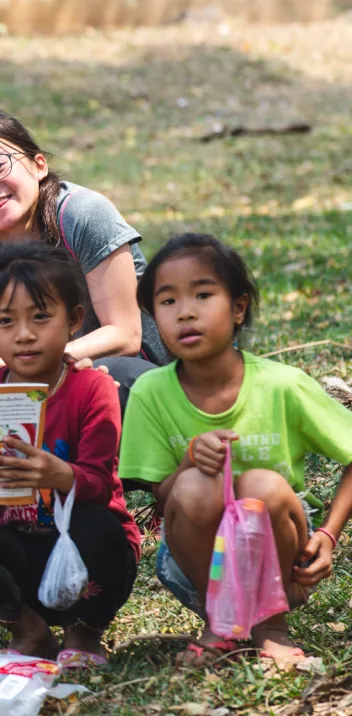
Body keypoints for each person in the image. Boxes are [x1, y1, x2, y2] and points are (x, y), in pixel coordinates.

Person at [119, 234, 352, 667]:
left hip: (288, 565)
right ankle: (221, 625)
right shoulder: (151, 391)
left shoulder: (282, 384)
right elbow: (165, 498)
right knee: (192, 484)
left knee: (261, 483)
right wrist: (189, 460)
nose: (186, 312)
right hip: (192, 568)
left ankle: (271, 627)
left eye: (203, 295)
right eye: (167, 302)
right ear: (153, 317)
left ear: (239, 307)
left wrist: (328, 536)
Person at [0, 243, 140, 666]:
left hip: (88, 561)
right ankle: (27, 629)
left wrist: (59, 476)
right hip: (17, 553)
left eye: (41, 316)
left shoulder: (93, 389)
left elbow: (99, 485)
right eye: (6, 321)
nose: (24, 334)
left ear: (74, 319)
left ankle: (85, 632)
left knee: (100, 526)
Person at [0, 110, 169, 410]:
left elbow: (126, 335)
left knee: (110, 375)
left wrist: (38, 366)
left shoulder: (83, 214)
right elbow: (9, 342)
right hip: (60, 378)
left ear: (38, 165)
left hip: (142, 377)